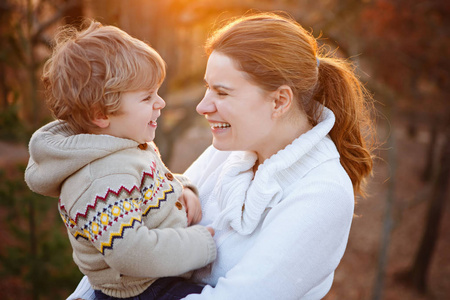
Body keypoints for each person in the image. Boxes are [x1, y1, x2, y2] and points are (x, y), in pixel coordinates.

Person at [68, 11, 375, 300]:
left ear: (279, 101)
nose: (202, 106)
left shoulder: (323, 193)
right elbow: (128, 240)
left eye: (222, 92)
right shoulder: (231, 149)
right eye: (206, 88)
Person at [24, 21, 217, 300]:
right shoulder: (99, 179)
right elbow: (132, 253)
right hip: (143, 290)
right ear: (101, 114)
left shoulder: (119, 144)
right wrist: (203, 245)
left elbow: (147, 183)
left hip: (159, 277)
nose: (160, 103)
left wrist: (181, 189)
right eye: (147, 97)